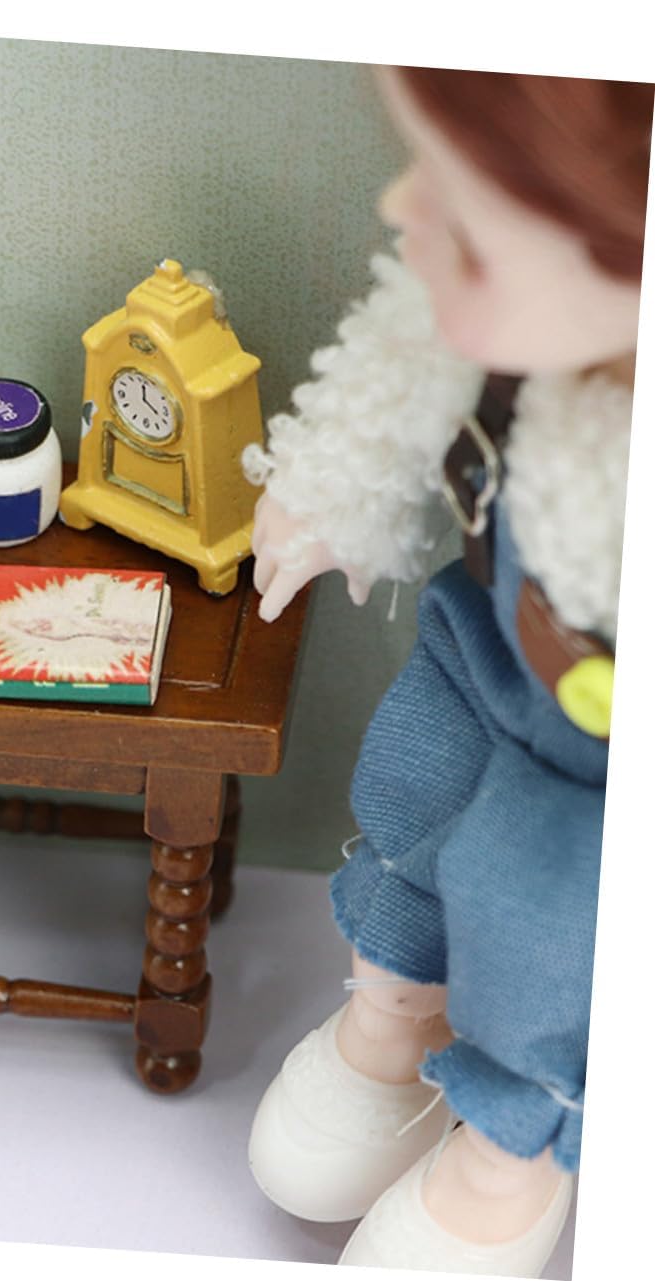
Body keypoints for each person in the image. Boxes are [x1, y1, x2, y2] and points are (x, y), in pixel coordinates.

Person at [242, 67, 650, 1275]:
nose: (403, 208)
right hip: (488, 645)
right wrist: (325, 492)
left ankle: (515, 1145)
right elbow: (402, 345)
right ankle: (391, 1009)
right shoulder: (527, 319)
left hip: (602, 790)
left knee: (551, 938)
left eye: (470, 230)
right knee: (414, 786)